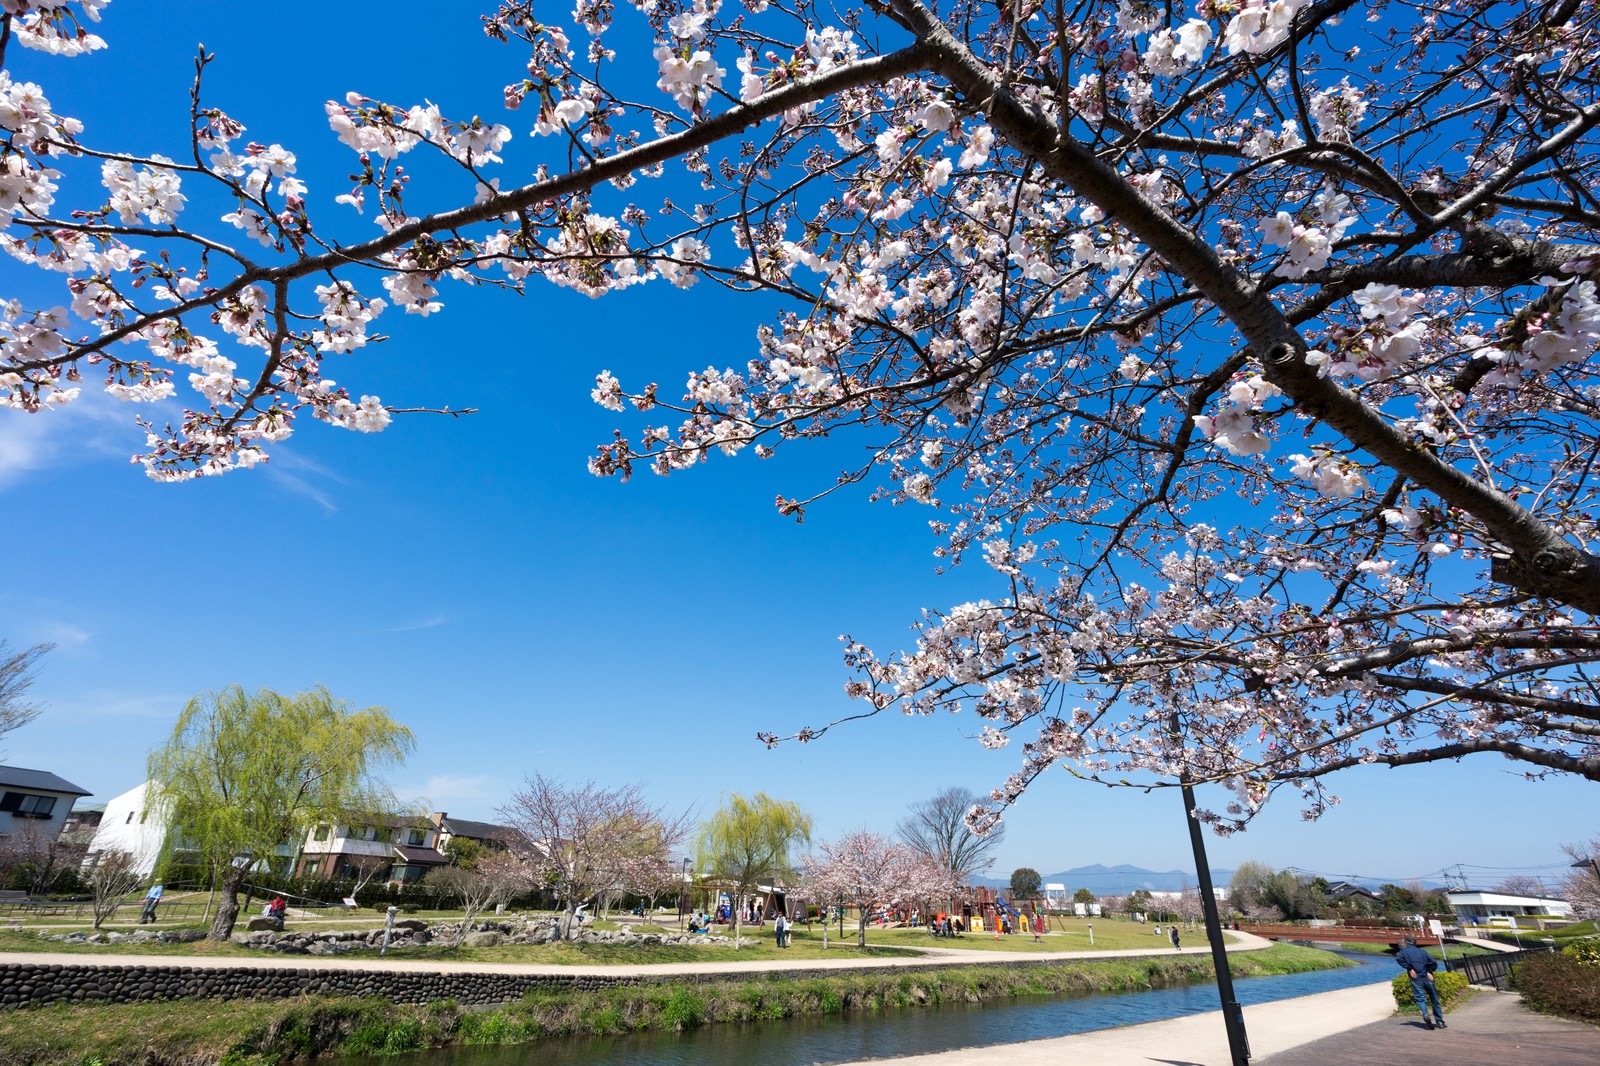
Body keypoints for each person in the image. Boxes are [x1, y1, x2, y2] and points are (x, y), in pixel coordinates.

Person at [1395, 936, 1447, 1029]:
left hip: (1416, 978)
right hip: (1428, 978)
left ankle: (1426, 1014)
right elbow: (1433, 962)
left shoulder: (1404, 952)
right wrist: (1429, 971)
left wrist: (1410, 968)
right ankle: (1440, 1022)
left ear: (1407, 942)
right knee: (1434, 1000)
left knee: (1420, 998)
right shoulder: (1422, 952)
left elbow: (1399, 959)